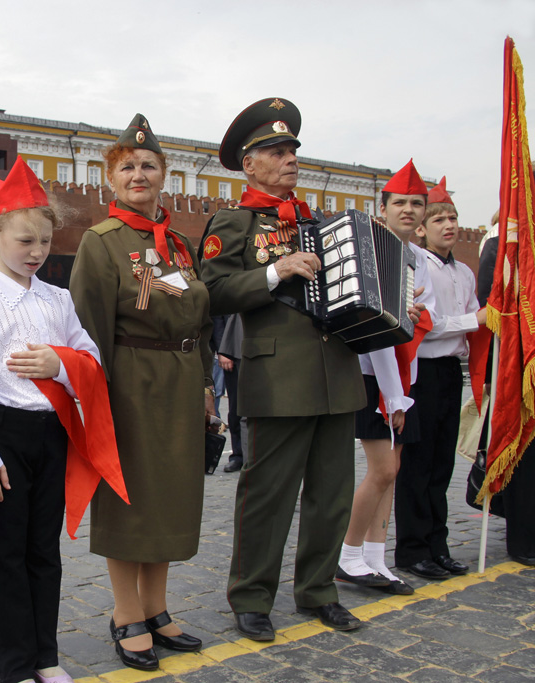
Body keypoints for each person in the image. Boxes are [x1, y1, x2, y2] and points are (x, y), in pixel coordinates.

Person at [198, 98, 366, 641]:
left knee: (332, 492)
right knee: (267, 493)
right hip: (276, 376)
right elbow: (214, 291)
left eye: (292, 148)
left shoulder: (321, 223)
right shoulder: (235, 221)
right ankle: (251, 597)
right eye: (276, 150)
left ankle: (319, 591)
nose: (289, 157)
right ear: (250, 164)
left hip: (336, 371)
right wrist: (275, 272)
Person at [0, 158, 124, 683]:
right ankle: (12, 665)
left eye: (44, 243)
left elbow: (91, 358)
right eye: (24, 241)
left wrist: (60, 364)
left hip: (50, 431)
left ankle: (45, 657)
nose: (36, 253)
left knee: (44, 550)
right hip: (2, 434)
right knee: (5, 553)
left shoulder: (59, 298)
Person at [70, 114, 211, 671]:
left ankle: (157, 609)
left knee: (170, 496)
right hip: (128, 384)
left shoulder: (177, 245)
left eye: (149, 165)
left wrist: (204, 383)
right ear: (111, 179)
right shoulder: (101, 243)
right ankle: (125, 612)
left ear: (164, 177)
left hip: (179, 384)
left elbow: (197, 319)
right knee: (129, 500)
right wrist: (97, 400)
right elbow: (89, 330)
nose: (139, 173)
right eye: (127, 166)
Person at [337, 160, 437, 594]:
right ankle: (347, 554)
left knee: (393, 468)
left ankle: (376, 556)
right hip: (373, 375)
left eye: (417, 203)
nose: (409, 210)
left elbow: (419, 320)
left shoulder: (418, 258)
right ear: (384, 207)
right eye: (400, 203)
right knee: (381, 469)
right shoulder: (373, 250)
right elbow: (375, 328)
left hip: (402, 377)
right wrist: (392, 398)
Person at [394, 177, 479, 578]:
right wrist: (470, 321)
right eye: (440, 218)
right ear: (423, 229)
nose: (449, 225)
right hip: (422, 370)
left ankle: (437, 543)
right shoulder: (417, 263)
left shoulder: (464, 272)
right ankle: (412, 548)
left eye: (453, 217)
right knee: (418, 463)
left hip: (449, 371)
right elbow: (426, 321)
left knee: (442, 464)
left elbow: (475, 320)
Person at [475, 213, 535, 565]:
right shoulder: (503, 247)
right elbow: (490, 303)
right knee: (524, 452)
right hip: (520, 363)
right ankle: (524, 538)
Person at [217, 314, 245, 473]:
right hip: (233, 350)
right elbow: (219, 316)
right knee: (236, 408)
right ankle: (238, 455)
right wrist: (224, 348)